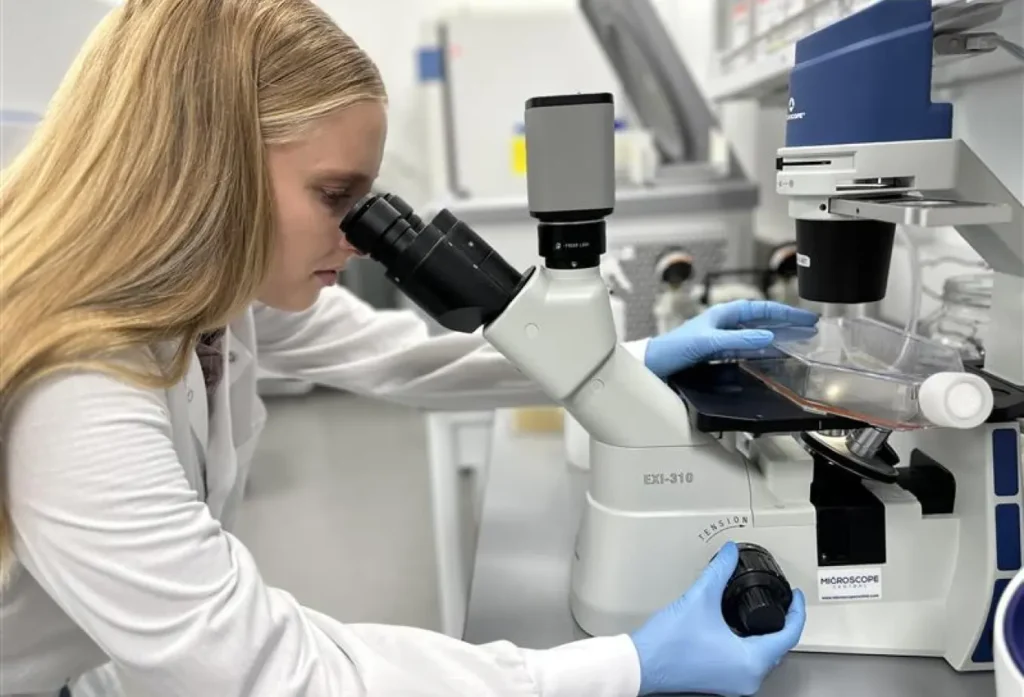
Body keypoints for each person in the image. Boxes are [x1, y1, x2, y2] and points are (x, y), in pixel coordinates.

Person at [0, 1, 814, 695]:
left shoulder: (211, 301)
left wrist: (624, 362)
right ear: (209, 166)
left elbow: (400, 354)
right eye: (335, 195)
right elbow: (279, 673)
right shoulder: (79, 395)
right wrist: (620, 666)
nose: (360, 236)